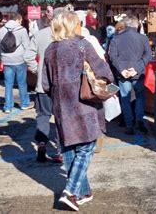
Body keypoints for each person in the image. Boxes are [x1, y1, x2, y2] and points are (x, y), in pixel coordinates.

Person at [42, 11, 114, 211]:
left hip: (60, 105)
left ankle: (84, 192)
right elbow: (104, 71)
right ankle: (71, 191)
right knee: (86, 147)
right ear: (74, 25)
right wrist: (109, 85)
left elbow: (45, 84)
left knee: (69, 148)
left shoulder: (50, 49)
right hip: (84, 104)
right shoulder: (82, 44)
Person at [24, 12, 63, 163]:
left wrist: (37, 69)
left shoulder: (40, 34)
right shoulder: (66, 34)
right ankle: (60, 150)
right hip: (62, 85)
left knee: (43, 116)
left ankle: (41, 143)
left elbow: (28, 56)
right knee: (61, 118)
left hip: (42, 84)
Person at [108, 16, 152, 135]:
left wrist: (121, 69)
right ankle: (138, 120)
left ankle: (129, 124)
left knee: (125, 99)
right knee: (140, 97)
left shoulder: (116, 38)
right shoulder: (143, 38)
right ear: (137, 25)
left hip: (123, 73)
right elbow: (148, 55)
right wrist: (137, 69)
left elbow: (112, 57)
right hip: (137, 72)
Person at [0, 13, 31, 113]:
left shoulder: (1, 31)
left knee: (8, 84)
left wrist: (1, 57)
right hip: (20, 60)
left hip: (6, 60)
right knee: (22, 83)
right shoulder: (22, 30)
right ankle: (24, 104)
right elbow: (27, 45)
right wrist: (27, 58)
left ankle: (8, 107)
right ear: (18, 20)